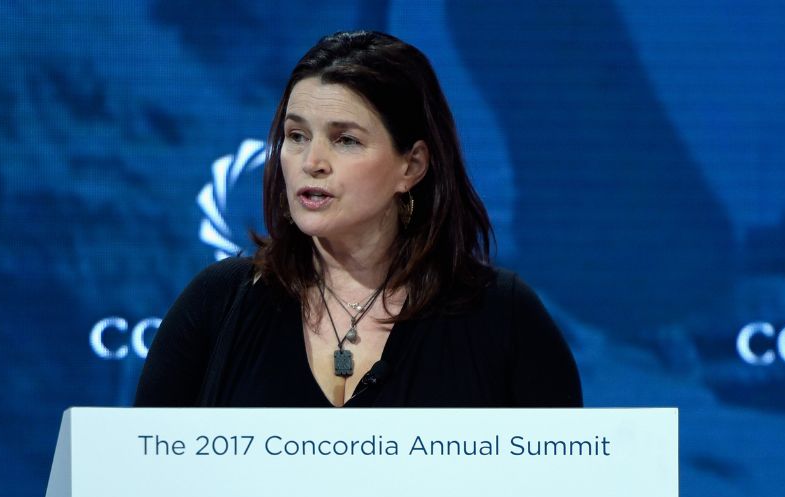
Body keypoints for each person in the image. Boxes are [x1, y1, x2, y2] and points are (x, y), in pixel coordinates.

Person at [134, 30, 581, 408]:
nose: (312, 161)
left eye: (345, 140)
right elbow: (140, 473)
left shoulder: (501, 316)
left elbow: (567, 490)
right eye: (296, 136)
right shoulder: (220, 303)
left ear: (412, 166)